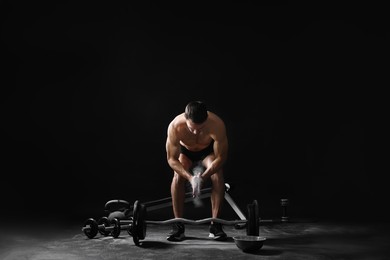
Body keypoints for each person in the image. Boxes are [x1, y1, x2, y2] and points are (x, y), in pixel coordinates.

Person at [165, 101, 229, 241]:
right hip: (185, 152)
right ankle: (178, 226)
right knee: (177, 176)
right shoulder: (175, 126)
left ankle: (215, 225)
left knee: (218, 175)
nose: (196, 132)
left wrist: (203, 177)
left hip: (207, 152)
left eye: (201, 128)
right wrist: (191, 178)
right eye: (192, 128)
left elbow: (221, 157)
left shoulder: (216, 124)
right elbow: (171, 159)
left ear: (206, 120)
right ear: (186, 119)